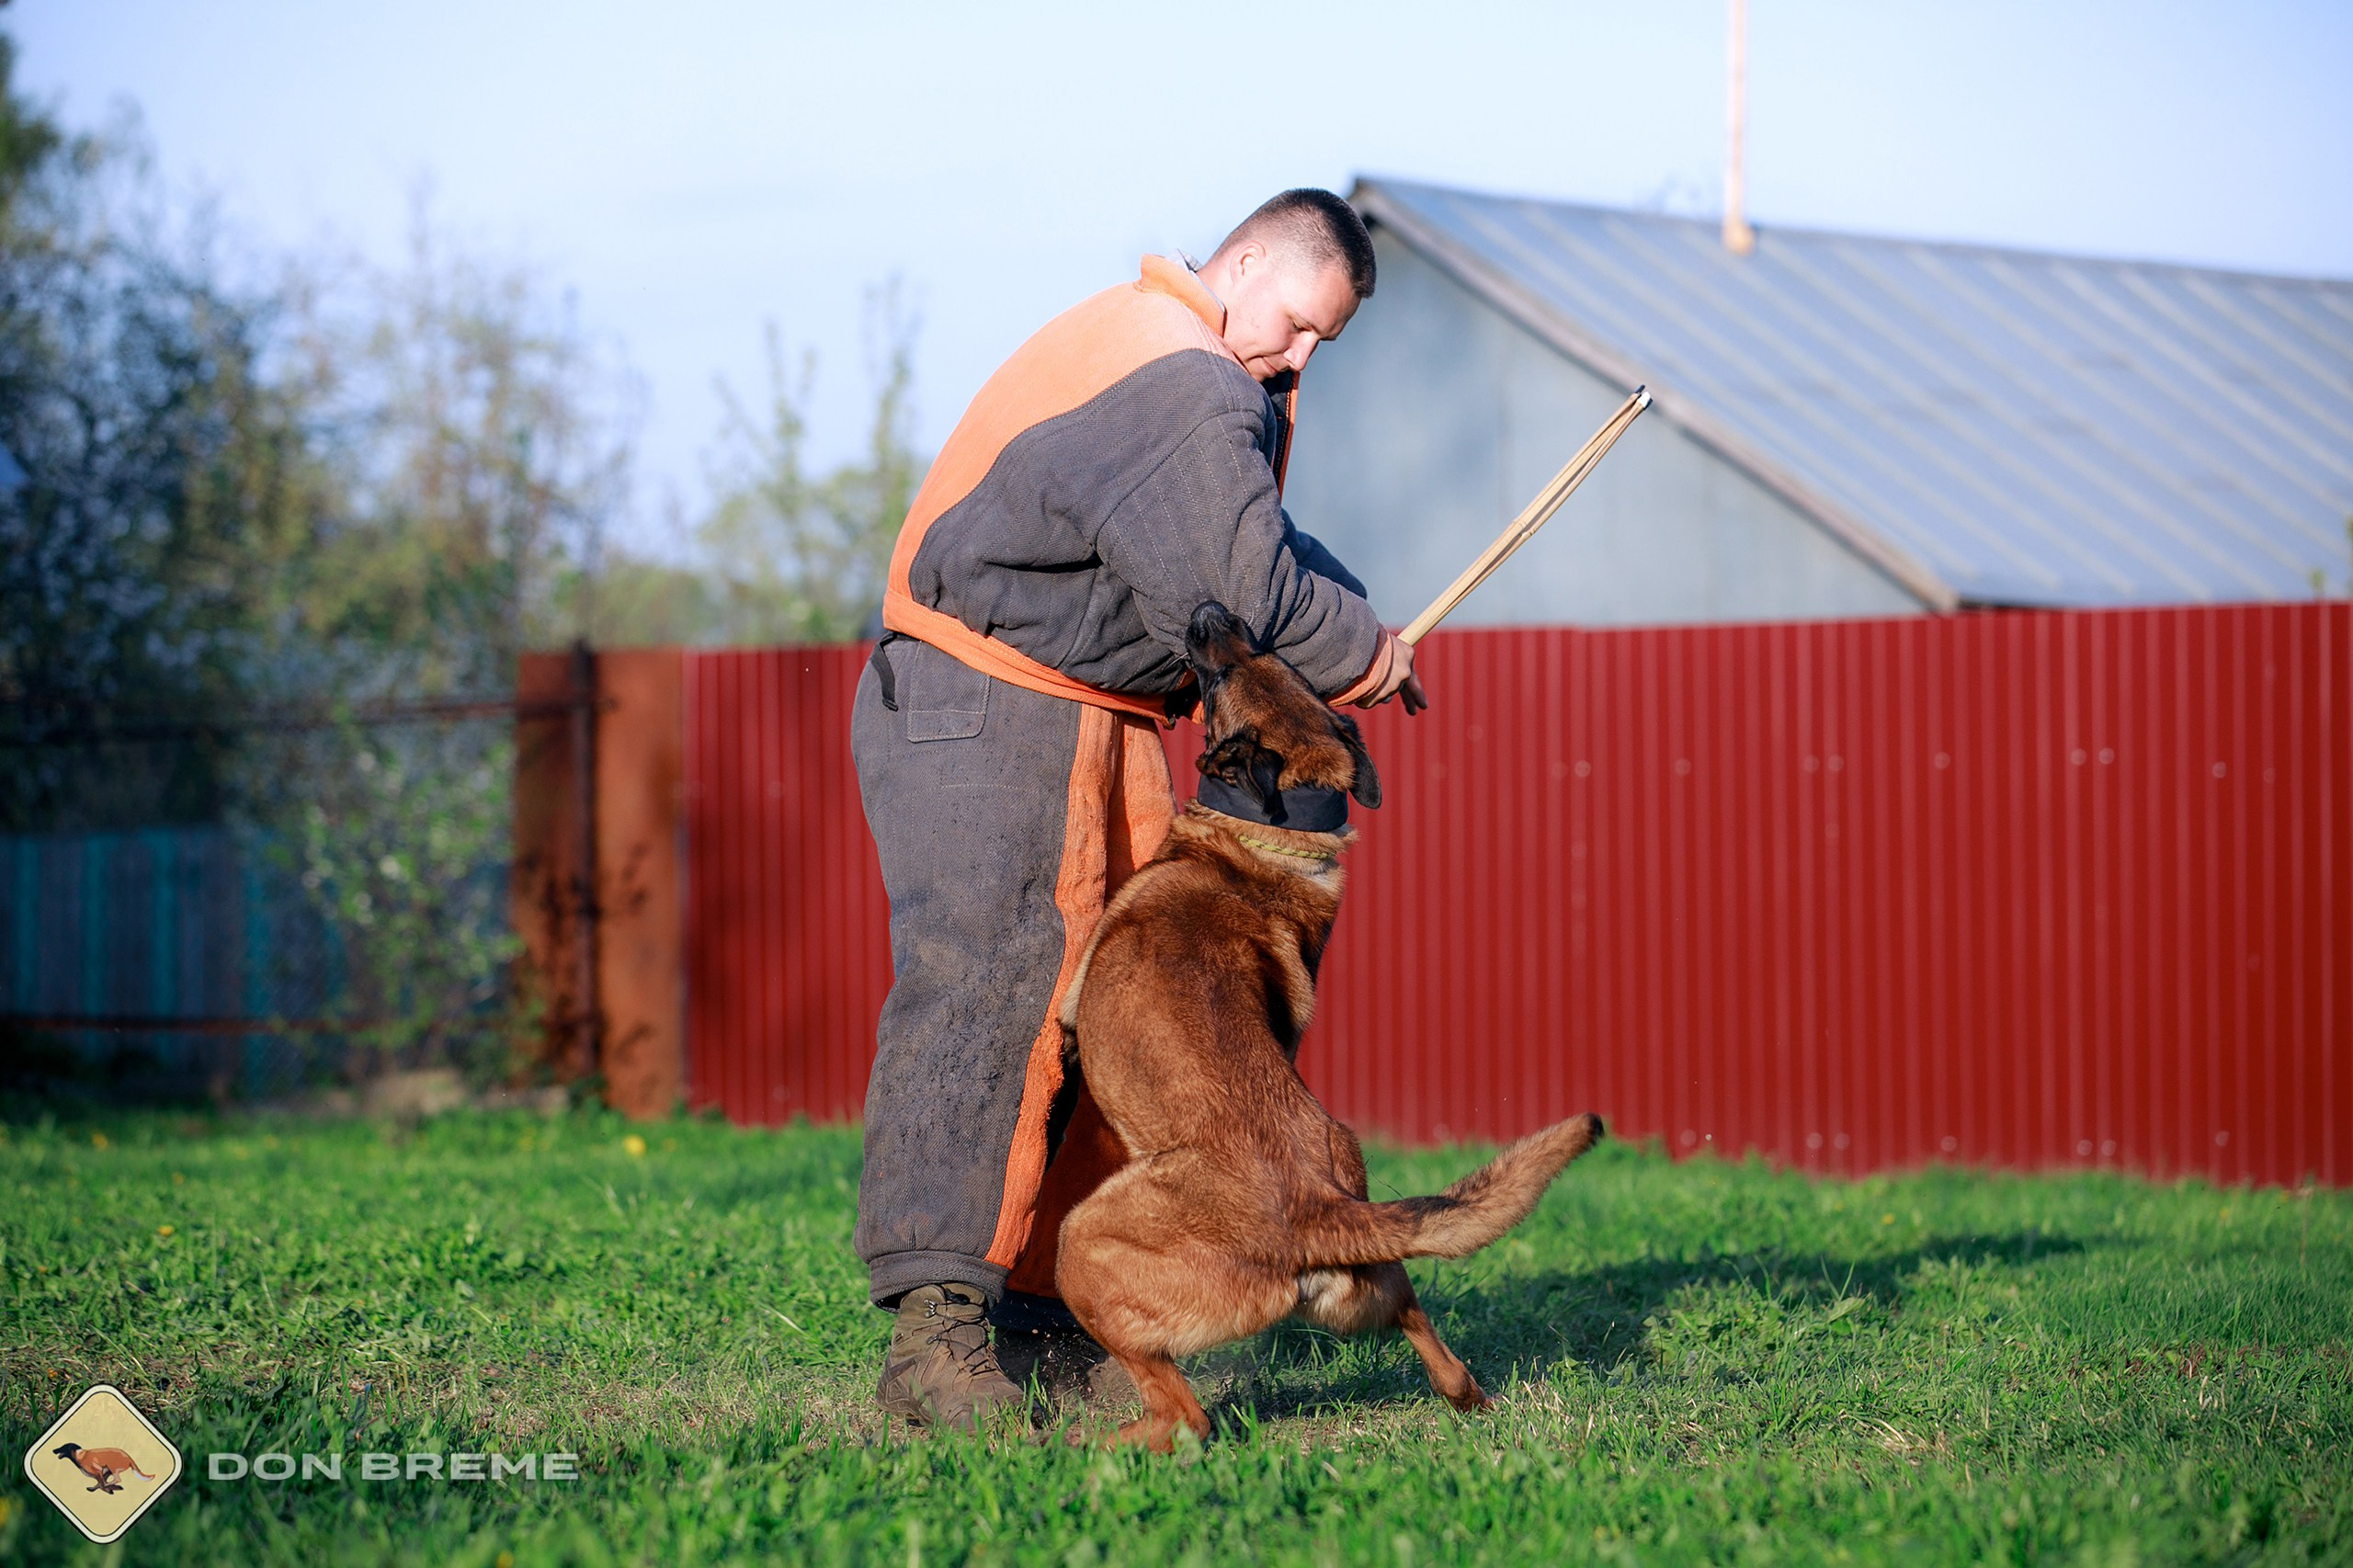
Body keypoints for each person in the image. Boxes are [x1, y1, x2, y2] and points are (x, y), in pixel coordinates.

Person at [850, 188, 1424, 1428]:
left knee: (1125, 1017)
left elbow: (1258, 543)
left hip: (1079, 711)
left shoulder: (1171, 364)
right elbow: (1243, 584)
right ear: (1250, 259)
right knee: (993, 1000)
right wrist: (1366, 657)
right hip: (989, 707)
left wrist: (1361, 617)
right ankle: (937, 1344)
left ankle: (1061, 1315)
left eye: (1323, 342)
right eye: (1298, 321)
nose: (1299, 355)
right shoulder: (1182, 377)